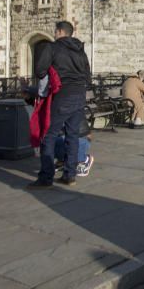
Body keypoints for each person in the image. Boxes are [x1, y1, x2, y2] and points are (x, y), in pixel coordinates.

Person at [30, 21, 92, 188]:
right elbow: (88, 75)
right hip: (79, 95)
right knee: (72, 135)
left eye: (55, 32)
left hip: (62, 95)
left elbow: (40, 70)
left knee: (48, 135)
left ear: (59, 32)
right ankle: (70, 175)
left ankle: (46, 177)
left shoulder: (53, 47)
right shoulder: (80, 49)